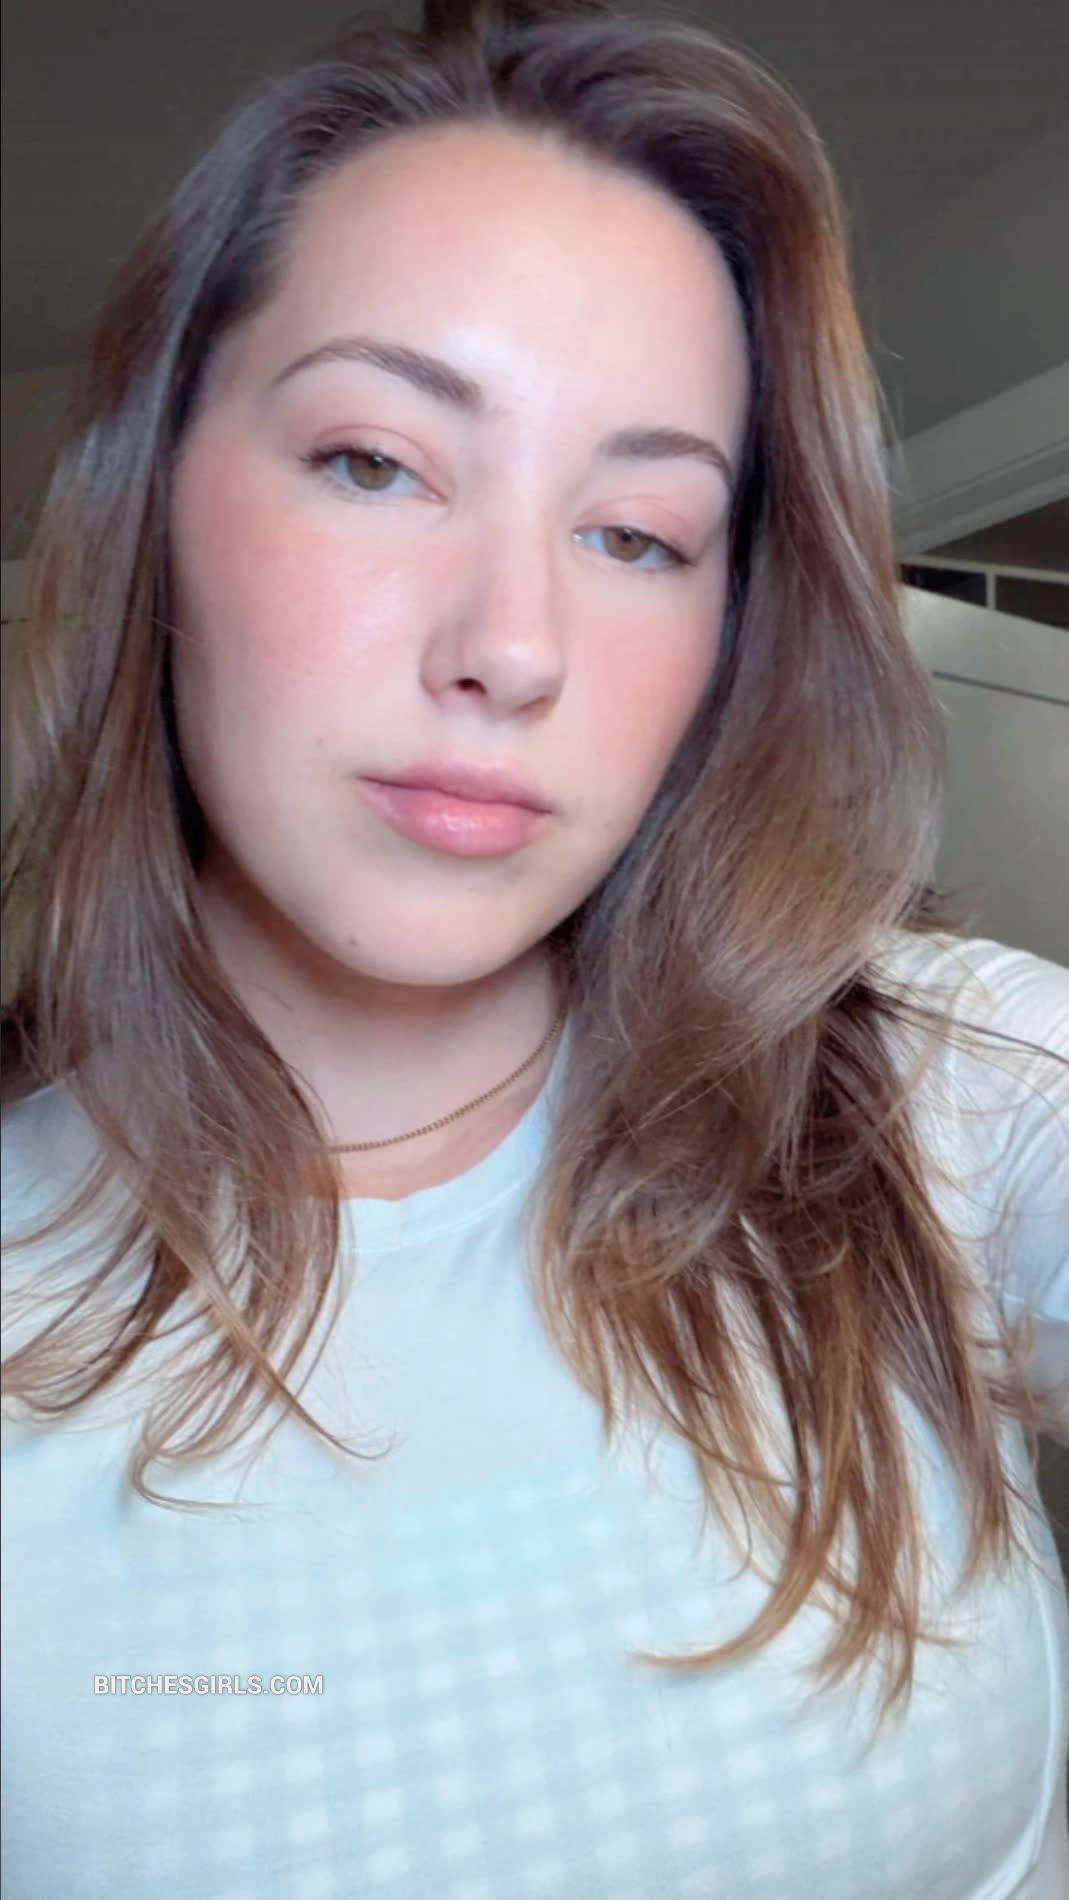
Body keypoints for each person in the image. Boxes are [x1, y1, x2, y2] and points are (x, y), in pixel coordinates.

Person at [2, 0, 1067, 1894]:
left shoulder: (949, 1101)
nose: (512, 645)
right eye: (374, 462)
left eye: (639, 533)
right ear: (152, 501)